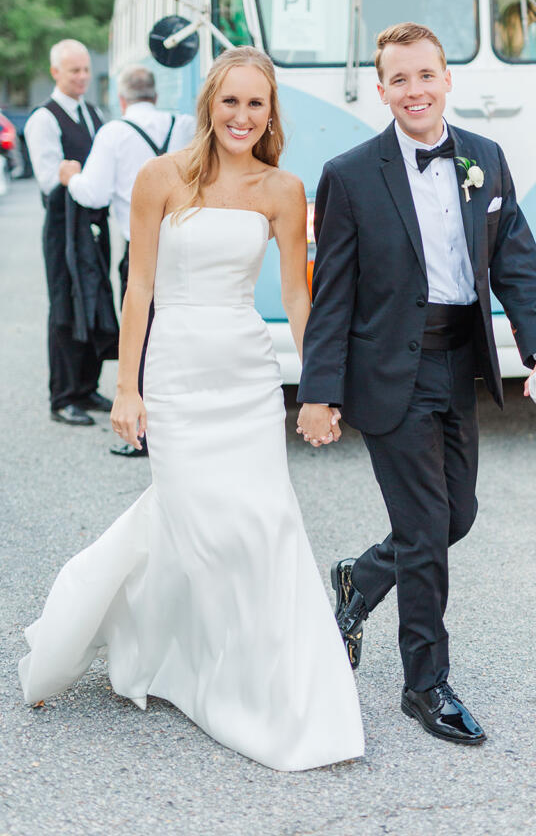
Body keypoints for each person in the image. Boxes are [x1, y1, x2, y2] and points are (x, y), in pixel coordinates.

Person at [18, 47, 364, 772]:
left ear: (270, 114)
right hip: (176, 370)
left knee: (263, 523)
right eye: (230, 100)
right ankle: (168, 649)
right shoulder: (161, 177)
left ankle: (275, 688)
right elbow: (140, 287)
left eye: (256, 103)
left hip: (246, 373)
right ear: (209, 103)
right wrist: (127, 386)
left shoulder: (282, 189)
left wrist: (320, 386)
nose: (242, 115)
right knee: (198, 525)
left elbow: (296, 296)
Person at [297, 22, 536, 747]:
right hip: (389, 368)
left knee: (456, 516)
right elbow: (332, 294)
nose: (414, 90)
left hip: (457, 361)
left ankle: (361, 578)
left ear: (447, 79)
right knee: (425, 529)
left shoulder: (486, 159)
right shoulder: (350, 174)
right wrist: (319, 392)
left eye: (426, 75)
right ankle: (425, 683)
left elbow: (517, 262)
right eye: (399, 79)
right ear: (381, 89)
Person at [59, 65, 196, 458]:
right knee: (184, 335)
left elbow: (94, 194)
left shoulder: (114, 133)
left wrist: (70, 177)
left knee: (144, 340)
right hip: (190, 248)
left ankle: (147, 434)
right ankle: (186, 424)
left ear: (122, 99)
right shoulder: (184, 125)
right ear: (156, 95)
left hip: (142, 252)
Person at [24, 39, 118, 426]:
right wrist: (77, 178)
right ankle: (63, 397)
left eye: (85, 70)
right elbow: (50, 180)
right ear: (55, 73)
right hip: (63, 228)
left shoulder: (94, 113)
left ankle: (86, 388)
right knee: (65, 305)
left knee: (95, 299)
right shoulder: (43, 119)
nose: (82, 77)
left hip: (95, 224)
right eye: (74, 70)